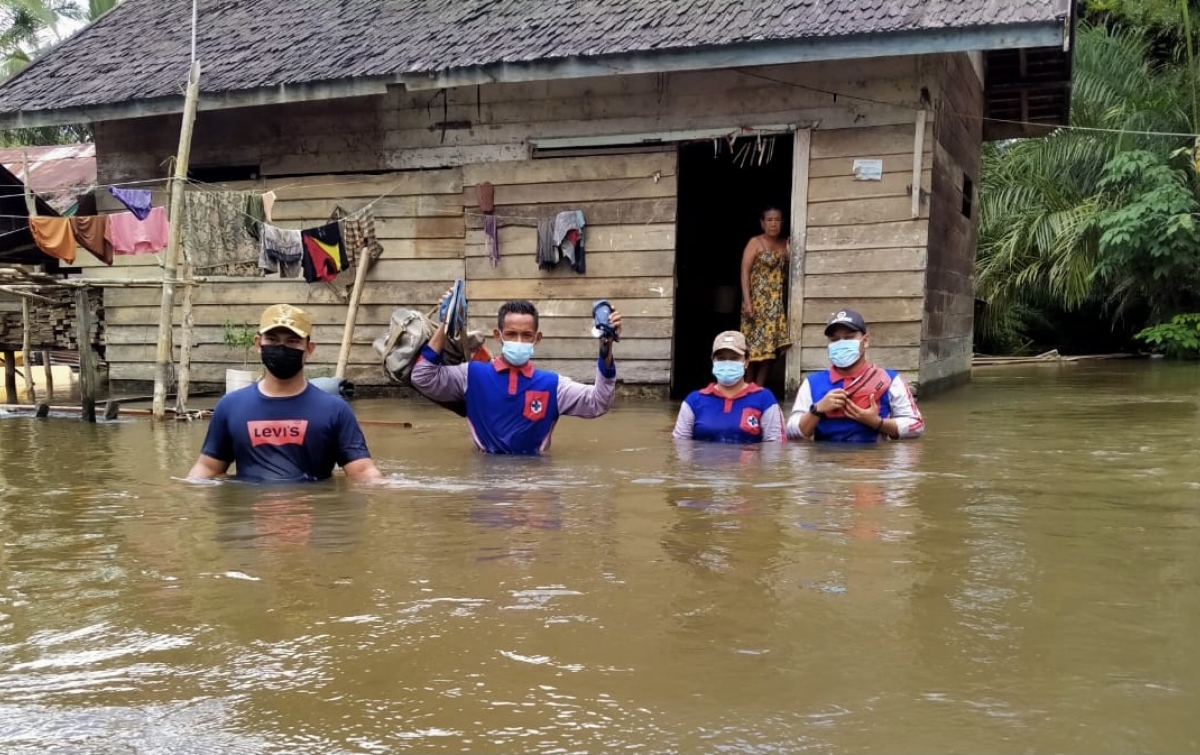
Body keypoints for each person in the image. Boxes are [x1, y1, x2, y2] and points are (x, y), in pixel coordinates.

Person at [187, 304, 383, 482]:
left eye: (292, 341)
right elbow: (207, 468)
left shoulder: (335, 410)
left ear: (309, 348)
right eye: (272, 339)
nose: (281, 348)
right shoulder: (230, 406)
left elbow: (362, 472)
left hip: (312, 516)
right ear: (258, 344)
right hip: (251, 517)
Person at [411, 298, 622, 454]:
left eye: (526, 335)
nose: (519, 340)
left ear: (537, 338)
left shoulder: (553, 386)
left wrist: (606, 346)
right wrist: (446, 324)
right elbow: (422, 377)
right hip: (486, 487)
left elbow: (599, 401)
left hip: (535, 488)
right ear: (498, 336)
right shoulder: (471, 375)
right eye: (511, 334)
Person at [786, 309, 924, 443]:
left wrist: (877, 423)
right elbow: (791, 433)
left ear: (866, 341)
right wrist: (817, 410)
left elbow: (916, 426)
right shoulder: (812, 383)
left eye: (849, 337)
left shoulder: (890, 380)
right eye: (834, 340)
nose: (841, 343)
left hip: (873, 463)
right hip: (825, 464)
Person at [672, 330, 785, 443]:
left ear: (746, 362)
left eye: (734, 358)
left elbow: (774, 448)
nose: (727, 363)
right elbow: (680, 447)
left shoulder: (765, 399)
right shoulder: (693, 401)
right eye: (721, 358)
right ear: (713, 361)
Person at [740, 205, 791, 387]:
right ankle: (747, 386)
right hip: (756, 304)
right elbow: (744, 272)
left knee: (770, 352)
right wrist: (747, 302)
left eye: (777, 220)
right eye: (769, 220)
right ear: (762, 223)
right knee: (752, 351)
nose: (773, 224)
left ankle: (759, 388)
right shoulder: (755, 243)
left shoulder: (786, 244)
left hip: (775, 306)